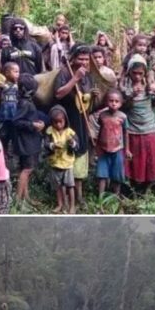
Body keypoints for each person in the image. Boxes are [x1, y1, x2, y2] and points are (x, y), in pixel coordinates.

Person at [54, 44, 101, 208]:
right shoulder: (64, 73)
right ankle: (65, 197)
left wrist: (94, 97)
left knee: (81, 155)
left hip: (82, 121)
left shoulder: (88, 77)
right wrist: (74, 79)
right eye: (80, 58)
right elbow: (58, 94)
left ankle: (79, 195)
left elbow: (89, 104)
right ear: (73, 58)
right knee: (66, 156)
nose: (84, 62)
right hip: (67, 121)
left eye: (87, 59)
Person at [122, 55, 155, 189]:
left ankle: (150, 184)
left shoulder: (149, 86)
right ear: (129, 72)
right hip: (133, 127)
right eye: (134, 73)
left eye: (140, 73)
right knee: (136, 157)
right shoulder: (124, 88)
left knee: (150, 156)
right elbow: (123, 108)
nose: (137, 76)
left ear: (145, 73)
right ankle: (135, 183)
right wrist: (131, 96)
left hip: (149, 126)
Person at [12, 74, 45, 204]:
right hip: (26, 142)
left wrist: (37, 122)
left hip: (29, 140)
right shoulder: (25, 103)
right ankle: (18, 200)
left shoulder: (26, 101)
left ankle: (26, 197)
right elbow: (16, 121)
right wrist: (33, 125)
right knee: (27, 169)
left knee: (26, 169)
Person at [94, 89, 129, 197]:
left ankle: (116, 196)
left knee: (117, 175)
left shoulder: (123, 117)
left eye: (116, 101)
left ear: (121, 103)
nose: (113, 103)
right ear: (106, 102)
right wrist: (97, 146)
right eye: (111, 101)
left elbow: (126, 133)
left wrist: (127, 149)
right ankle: (100, 198)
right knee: (102, 174)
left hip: (117, 149)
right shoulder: (102, 115)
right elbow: (101, 130)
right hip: (104, 149)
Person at [45, 105, 78, 213]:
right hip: (55, 163)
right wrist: (52, 146)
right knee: (58, 186)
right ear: (52, 122)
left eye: (61, 122)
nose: (58, 125)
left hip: (67, 163)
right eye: (55, 122)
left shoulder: (70, 132)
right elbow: (45, 144)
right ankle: (60, 204)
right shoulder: (49, 131)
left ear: (65, 120)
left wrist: (72, 143)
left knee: (70, 185)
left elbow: (77, 145)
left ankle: (72, 206)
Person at [0, 62, 20, 153]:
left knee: (14, 134)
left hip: (14, 115)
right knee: (3, 135)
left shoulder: (18, 86)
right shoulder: (1, 85)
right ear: (7, 73)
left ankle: (13, 152)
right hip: (4, 116)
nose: (18, 74)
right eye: (15, 72)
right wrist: (0, 89)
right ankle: (3, 151)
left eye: (18, 72)